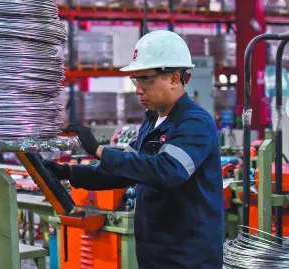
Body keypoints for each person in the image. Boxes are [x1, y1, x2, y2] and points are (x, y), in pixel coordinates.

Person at [44, 30, 223, 269]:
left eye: (146, 79)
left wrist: (98, 150)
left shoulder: (194, 122)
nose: (138, 89)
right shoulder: (151, 121)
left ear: (174, 78)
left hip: (189, 256)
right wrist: (68, 172)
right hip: (155, 252)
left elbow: (168, 171)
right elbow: (125, 171)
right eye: (136, 79)